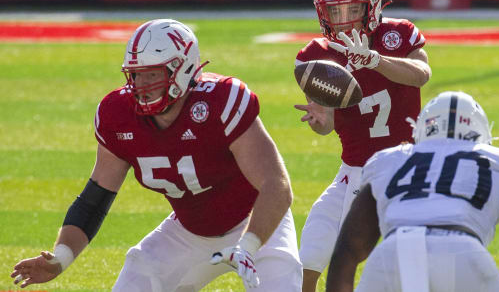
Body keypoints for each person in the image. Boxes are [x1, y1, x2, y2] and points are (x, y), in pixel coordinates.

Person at [11, 19, 302, 291]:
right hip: (187, 233)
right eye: (136, 75)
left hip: (257, 223)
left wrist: (249, 245)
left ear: (184, 68)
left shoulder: (220, 101)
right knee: (136, 277)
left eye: (153, 74)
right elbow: (95, 198)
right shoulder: (119, 115)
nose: (142, 85)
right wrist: (61, 257)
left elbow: (276, 185)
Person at [326, 91, 499, 292]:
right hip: (464, 252)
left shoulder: (390, 160)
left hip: (393, 252)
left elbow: (348, 249)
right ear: (482, 135)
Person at [294, 0, 432, 292]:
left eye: (351, 9)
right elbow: (326, 127)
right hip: (351, 169)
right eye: (334, 11)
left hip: (401, 166)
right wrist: (320, 120)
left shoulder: (396, 35)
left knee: (358, 257)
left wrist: (376, 60)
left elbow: (422, 74)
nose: (342, 21)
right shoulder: (316, 56)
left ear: (371, 6)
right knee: (309, 253)